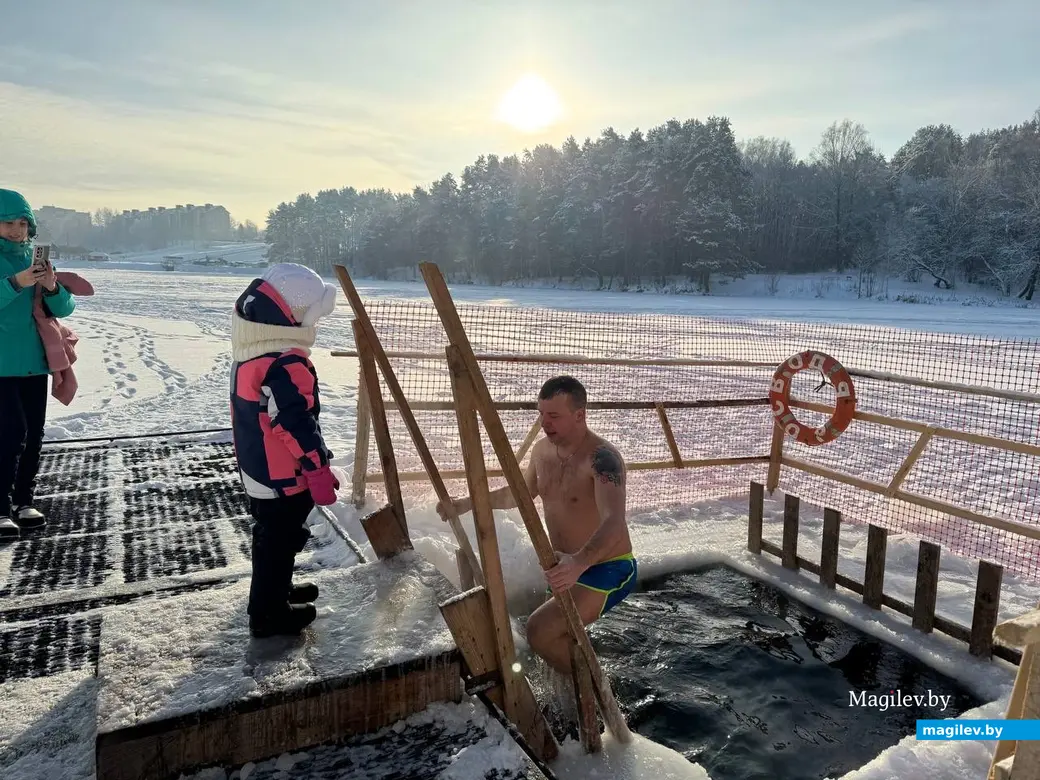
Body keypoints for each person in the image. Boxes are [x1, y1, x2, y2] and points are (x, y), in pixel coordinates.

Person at [437, 375, 636, 674]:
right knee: (559, 639)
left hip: (607, 567)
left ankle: (598, 696)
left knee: (540, 631)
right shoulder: (542, 452)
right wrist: (466, 504)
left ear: (580, 415)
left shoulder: (602, 459)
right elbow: (519, 494)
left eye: (554, 415)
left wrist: (578, 563)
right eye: (541, 414)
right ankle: (576, 693)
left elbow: (614, 522)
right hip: (563, 568)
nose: (545, 422)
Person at [229, 263, 339, 638]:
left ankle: (276, 589)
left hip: (256, 469)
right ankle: (268, 613)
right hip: (283, 476)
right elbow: (295, 423)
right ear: (293, 316)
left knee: (271, 536)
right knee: (279, 540)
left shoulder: (252, 351)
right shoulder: (286, 362)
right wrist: (317, 468)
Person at [0, 189, 77, 540]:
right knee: (9, 432)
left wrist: (50, 286)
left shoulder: (37, 259)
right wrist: (16, 282)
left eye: (21, 223)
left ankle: (22, 500)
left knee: (32, 434)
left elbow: (64, 309)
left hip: (34, 362)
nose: (15, 230)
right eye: (6, 222)